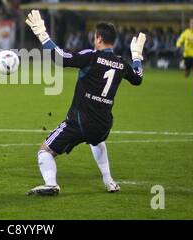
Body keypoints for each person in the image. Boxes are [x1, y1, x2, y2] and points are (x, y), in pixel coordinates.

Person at [25, 10, 145, 195]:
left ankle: (51, 184)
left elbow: (61, 58)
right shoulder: (121, 63)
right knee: (97, 142)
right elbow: (137, 79)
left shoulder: (92, 56)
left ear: (98, 39)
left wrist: (42, 34)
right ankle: (109, 181)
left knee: (45, 151)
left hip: (78, 122)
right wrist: (136, 55)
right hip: (103, 125)